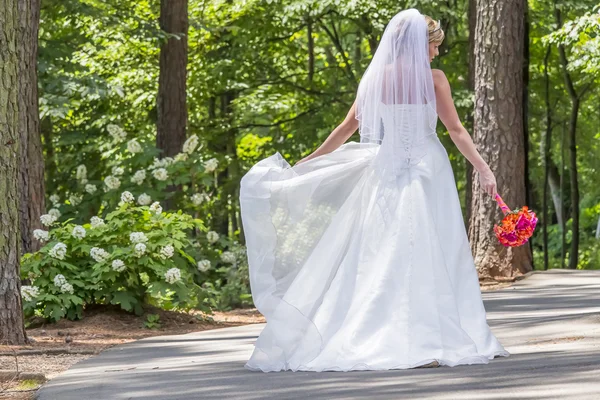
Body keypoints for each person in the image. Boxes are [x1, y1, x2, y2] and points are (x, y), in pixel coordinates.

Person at [239, 8, 510, 373]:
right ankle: (432, 336)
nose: (436, 54)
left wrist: (312, 158)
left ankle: (381, 331)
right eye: (433, 46)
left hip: (387, 171)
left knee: (383, 253)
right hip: (428, 169)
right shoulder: (435, 80)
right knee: (431, 249)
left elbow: (347, 127)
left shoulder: (375, 79)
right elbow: (456, 130)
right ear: (418, 45)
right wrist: (483, 168)